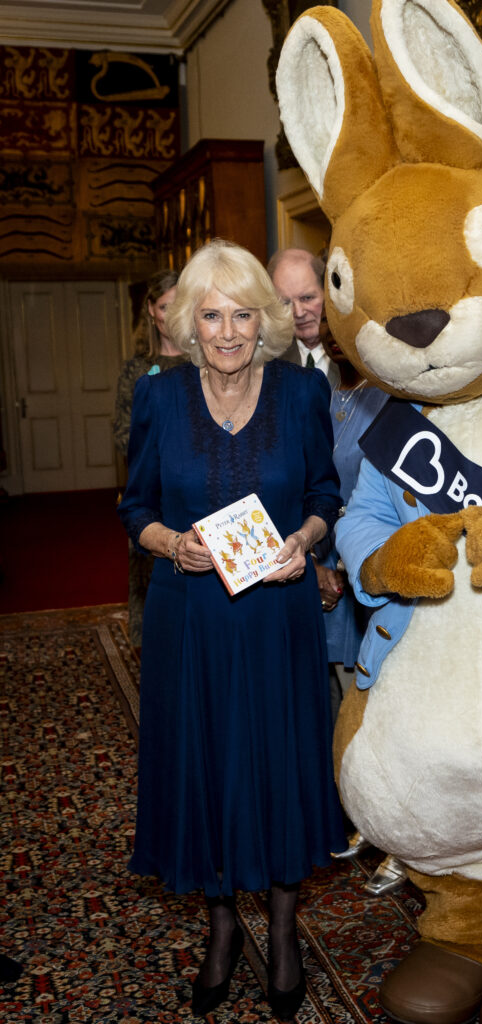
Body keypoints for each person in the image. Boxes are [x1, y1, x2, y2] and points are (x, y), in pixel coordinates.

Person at [117, 239, 345, 1020]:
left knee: (279, 763)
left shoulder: (300, 394)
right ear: (186, 321)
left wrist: (305, 541)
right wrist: (168, 545)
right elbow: (135, 507)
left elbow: (323, 490)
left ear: (266, 320)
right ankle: (220, 927)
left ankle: (282, 930)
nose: (226, 331)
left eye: (242, 314)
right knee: (206, 764)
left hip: (278, 616)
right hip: (190, 622)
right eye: (210, 315)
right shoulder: (159, 398)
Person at [312, 329, 407, 897]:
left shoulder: (395, 394)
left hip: (374, 569)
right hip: (320, 565)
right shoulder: (320, 386)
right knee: (339, 706)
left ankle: (403, 841)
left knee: (383, 708)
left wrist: (351, 564)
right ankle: (362, 819)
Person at [113, 269, 186, 649]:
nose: (172, 314)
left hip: (189, 490)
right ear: (152, 312)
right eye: (164, 306)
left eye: (180, 305)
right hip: (150, 492)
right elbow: (123, 432)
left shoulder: (204, 363)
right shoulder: (137, 369)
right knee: (148, 578)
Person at [268, 248, 340, 389]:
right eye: (286, 303)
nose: (299, 313)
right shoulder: (269, 361)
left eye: (307, 298)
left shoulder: (354, 358)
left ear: (327, 293)